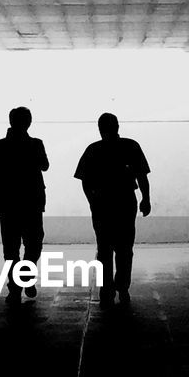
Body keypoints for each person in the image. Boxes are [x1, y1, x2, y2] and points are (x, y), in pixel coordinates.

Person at [73, 112, 151, 307]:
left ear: (100, 129)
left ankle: (106, 288)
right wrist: (146, 198)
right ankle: (122, 286)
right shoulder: (130, 146)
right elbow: (142, 175)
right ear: (117, 126)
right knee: (125, 247)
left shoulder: (93, 150)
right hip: (125, 201)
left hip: (102, 204)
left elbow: (84, 180)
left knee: (104, 248)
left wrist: (92, 200)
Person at [0, 106, 49, 306]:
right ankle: (26, 278)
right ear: (28, 122)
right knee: (34, 244)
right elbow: (44, 165)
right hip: (32, 202)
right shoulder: (36, 144)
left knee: (11, 249)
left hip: (8, 204)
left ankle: (15, 288)